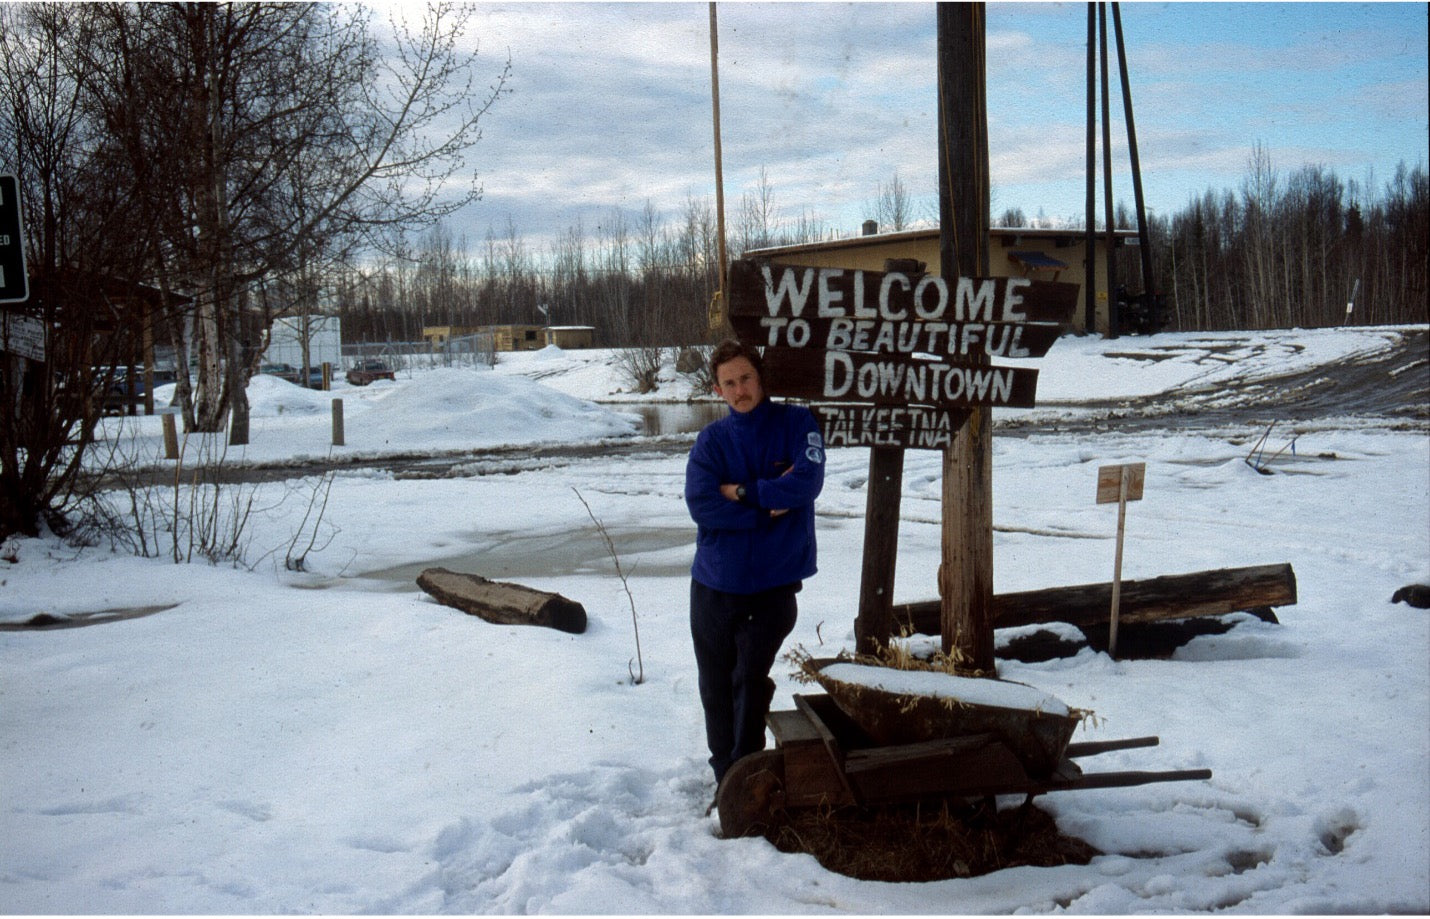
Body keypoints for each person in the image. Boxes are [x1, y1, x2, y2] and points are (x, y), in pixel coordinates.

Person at [684, 339, 825, 787]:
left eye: (746, 378)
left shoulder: (797, 423)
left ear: (760, 378)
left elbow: (806, 482)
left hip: (773, 584)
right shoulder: (711, 442)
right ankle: (725, 775)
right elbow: (702, 505)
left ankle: (745, 770)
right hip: (714, 583)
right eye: (730, 383)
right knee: (716, 685)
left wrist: (742, 492)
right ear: (717, 390)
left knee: (748, 677)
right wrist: (765, 509)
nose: (740, 390)